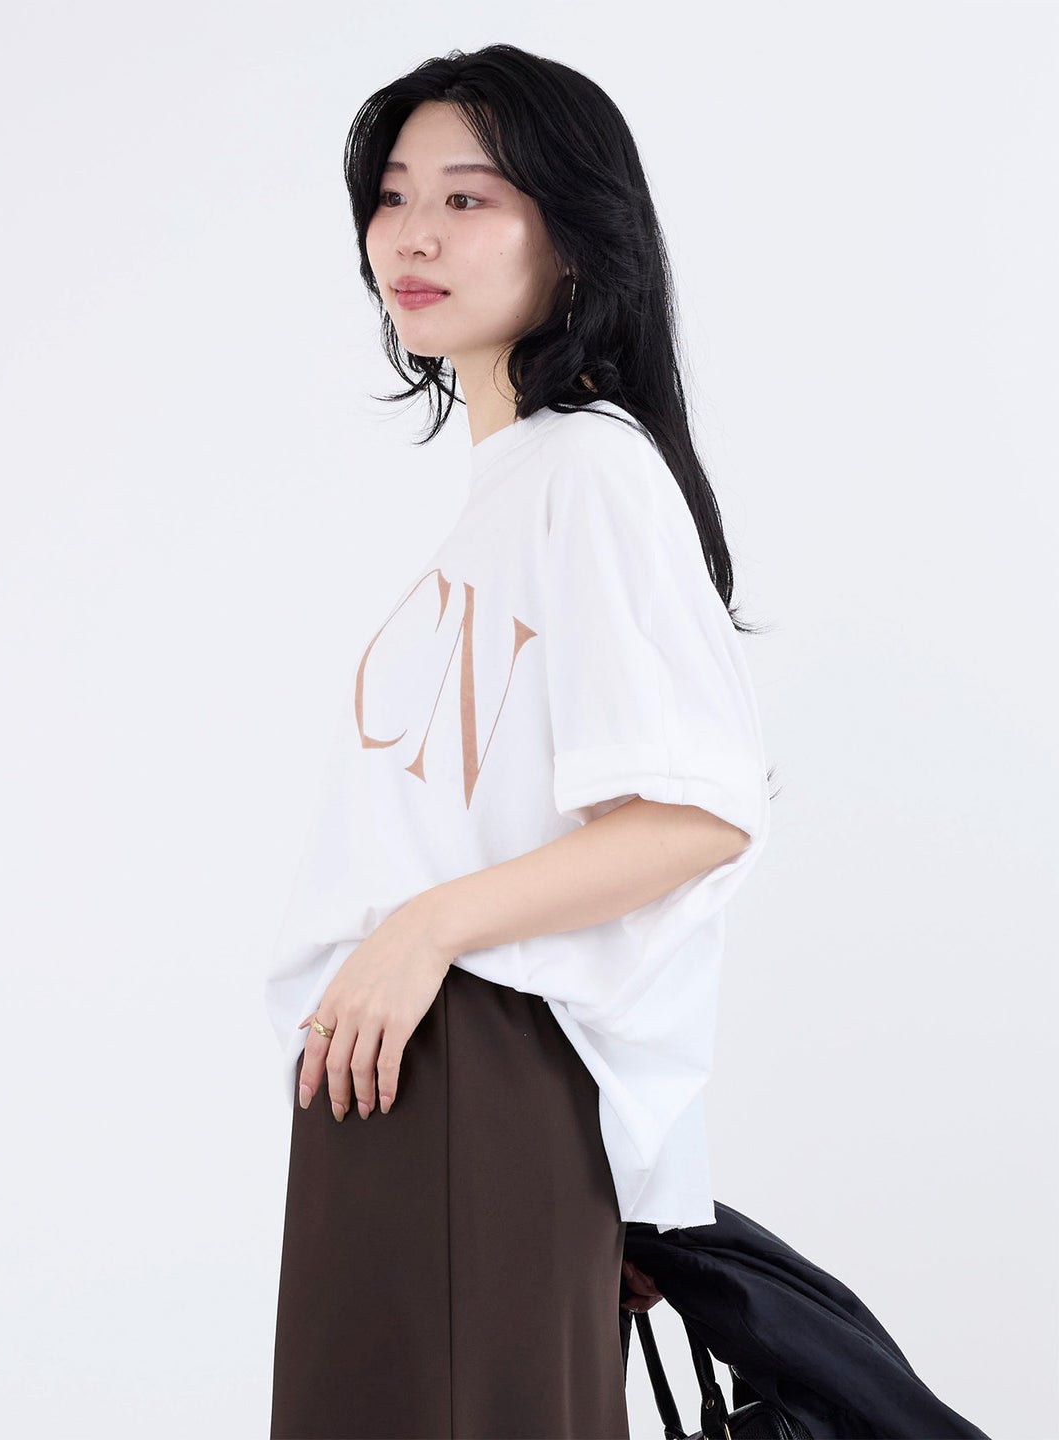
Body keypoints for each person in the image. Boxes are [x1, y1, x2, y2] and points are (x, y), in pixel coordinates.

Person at [263, 42, 775, 1440]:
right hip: (409, 1082)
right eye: (392, 195)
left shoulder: (586, 468)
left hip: (469, 1068)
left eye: (469, 198)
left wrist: (421, 927)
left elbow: (696, 813)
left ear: (575, 235)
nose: (413, 235)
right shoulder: (515, 485)